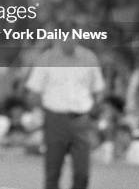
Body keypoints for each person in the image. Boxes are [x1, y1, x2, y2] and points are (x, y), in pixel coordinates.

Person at [26, 40, 105, 189]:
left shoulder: (89, 57)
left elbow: (98, 89)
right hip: (54, 119)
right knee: (53, 172)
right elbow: (33, 94)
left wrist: (93, 112)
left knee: (82, 173)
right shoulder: (46, 58)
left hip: (81, 119)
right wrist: (49, 110)